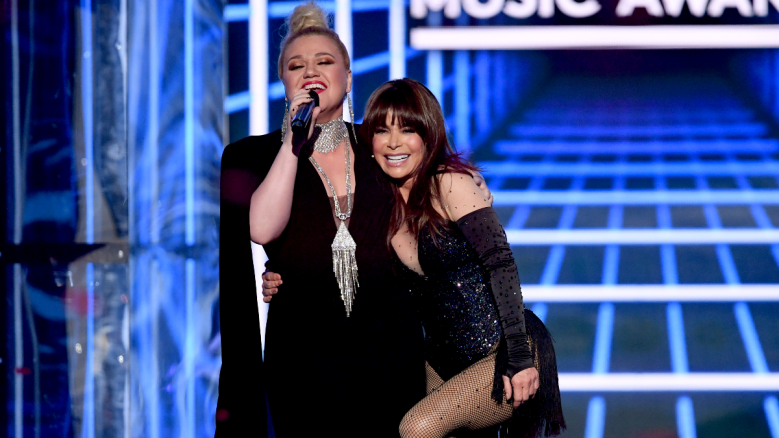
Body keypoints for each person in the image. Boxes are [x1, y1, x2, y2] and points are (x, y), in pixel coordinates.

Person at [216, 3, 491, 436]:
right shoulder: (253, 156)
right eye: (296, 65)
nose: (310, 71)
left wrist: (465, 179)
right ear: (283, 82)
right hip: (303, 361)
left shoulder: (381, 145)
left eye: (324, 62)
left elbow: (437, 183)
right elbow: (261, 230)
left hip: (391, 354)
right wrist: (293, 140)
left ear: (347, 79)